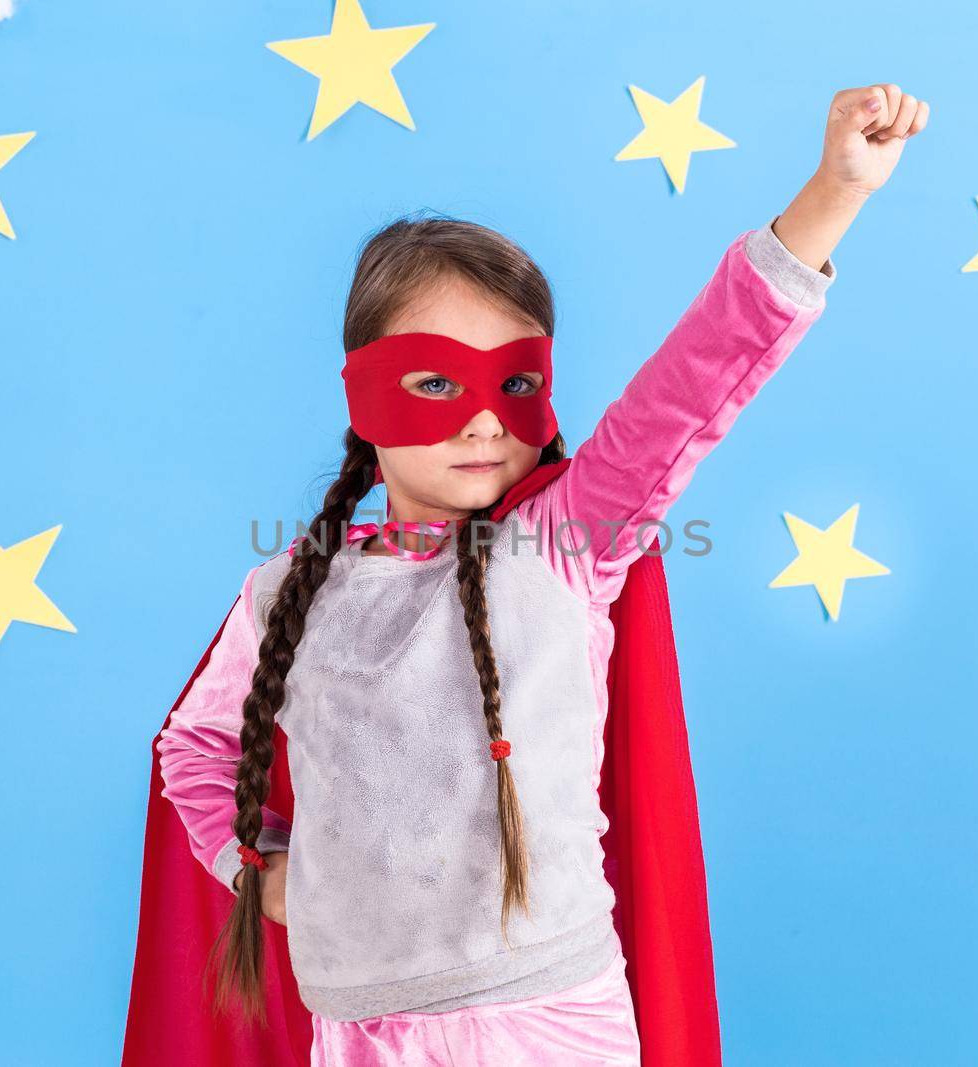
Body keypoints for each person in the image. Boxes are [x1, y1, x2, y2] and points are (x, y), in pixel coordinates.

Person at [131, 83, 929, 1066]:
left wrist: (832, 194)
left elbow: (695, 383)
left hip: (546, 1021)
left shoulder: (561, 549)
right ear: (363, 394)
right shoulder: (287, 594)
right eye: (432, 380)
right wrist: (260, 869)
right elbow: (195, 745)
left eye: (512, 383)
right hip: (357, 1025)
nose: (479, 420)